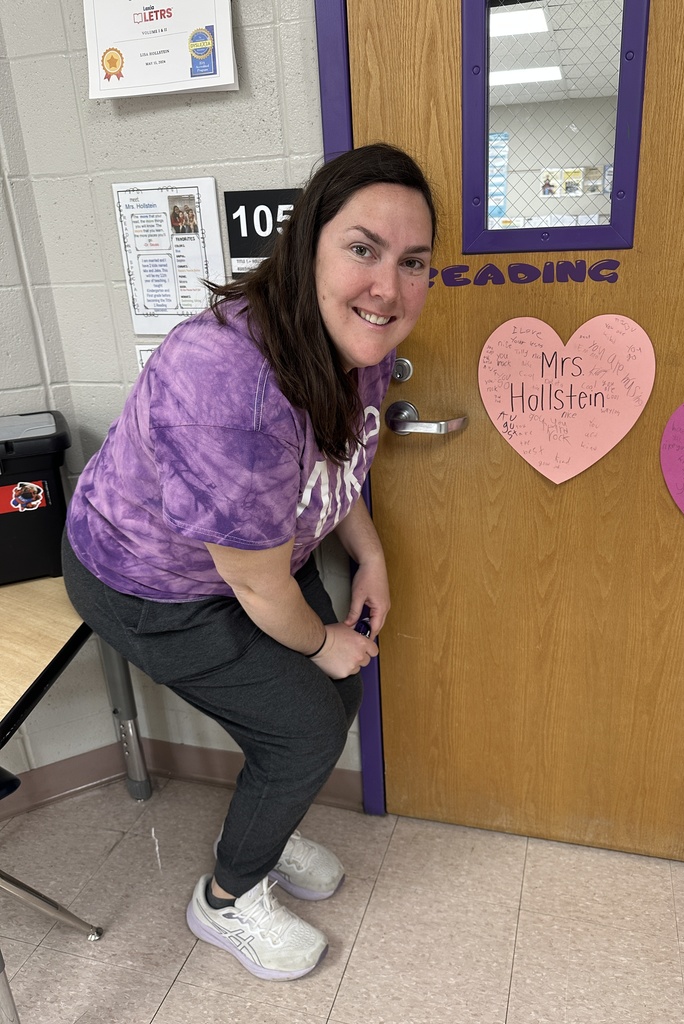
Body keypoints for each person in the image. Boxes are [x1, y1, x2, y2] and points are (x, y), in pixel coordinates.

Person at [62, 143, 436, 982]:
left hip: (257, 552)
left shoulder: (356, 346)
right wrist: (318, 640)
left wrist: (370, 557)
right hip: (146, 581)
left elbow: (337, 467)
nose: (390, 287)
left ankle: (264, 822)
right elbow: (254, 583)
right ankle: (227, 899)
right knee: (305, 722)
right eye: (363, 249)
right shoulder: (227, 380)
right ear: (306, 246)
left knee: (334, 692)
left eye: (413, 262)